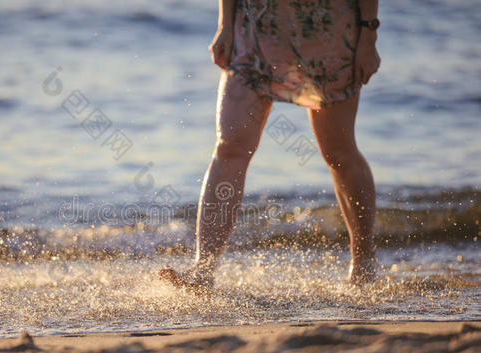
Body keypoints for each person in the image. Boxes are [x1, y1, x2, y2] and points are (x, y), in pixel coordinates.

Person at [160, 0, 381, 291]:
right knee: (230, 146)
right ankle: (203, 271)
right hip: (255, 26)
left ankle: (363, 262)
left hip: (327, 29)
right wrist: (225, 26)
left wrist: (368, 36)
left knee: (338, 151)